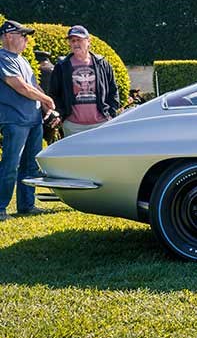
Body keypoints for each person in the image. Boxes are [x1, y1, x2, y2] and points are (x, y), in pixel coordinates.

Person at [0, 20, 55, 221]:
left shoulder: (22, 60)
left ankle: (26, 205)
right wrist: (46, 99)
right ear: (8, 36)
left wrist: (47, 103)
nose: (26, 39)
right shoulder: (2, 58)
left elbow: (33, 85)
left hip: (33, 120)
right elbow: (20, 86)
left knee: (30, 166)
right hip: (15, 120)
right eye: (22, 35)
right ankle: (0, 208)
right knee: (11, 165)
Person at [49, 25, 120, 137]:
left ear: (88, 41)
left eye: (79, 40)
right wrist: (63, 115)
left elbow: (113, 90)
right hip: (73, 125)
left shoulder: (102, 63)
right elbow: (54, 93)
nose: (75, 43)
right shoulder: (62, 66)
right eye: (72, 40)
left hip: (101, 123)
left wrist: (111, 114)